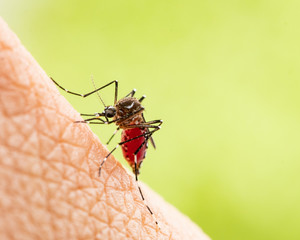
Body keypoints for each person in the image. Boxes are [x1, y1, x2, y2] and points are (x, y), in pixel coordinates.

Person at [0, 18, 209, 240]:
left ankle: (133, 172)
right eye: (107, 113)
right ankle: (79, 96)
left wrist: (115, 145)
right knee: (123, 94)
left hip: (135, 136)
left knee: (149, 121)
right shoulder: (117, 111)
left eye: (108, 114)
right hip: (132, 125)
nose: (106, 115)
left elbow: (138, 114)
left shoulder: (125, 117)